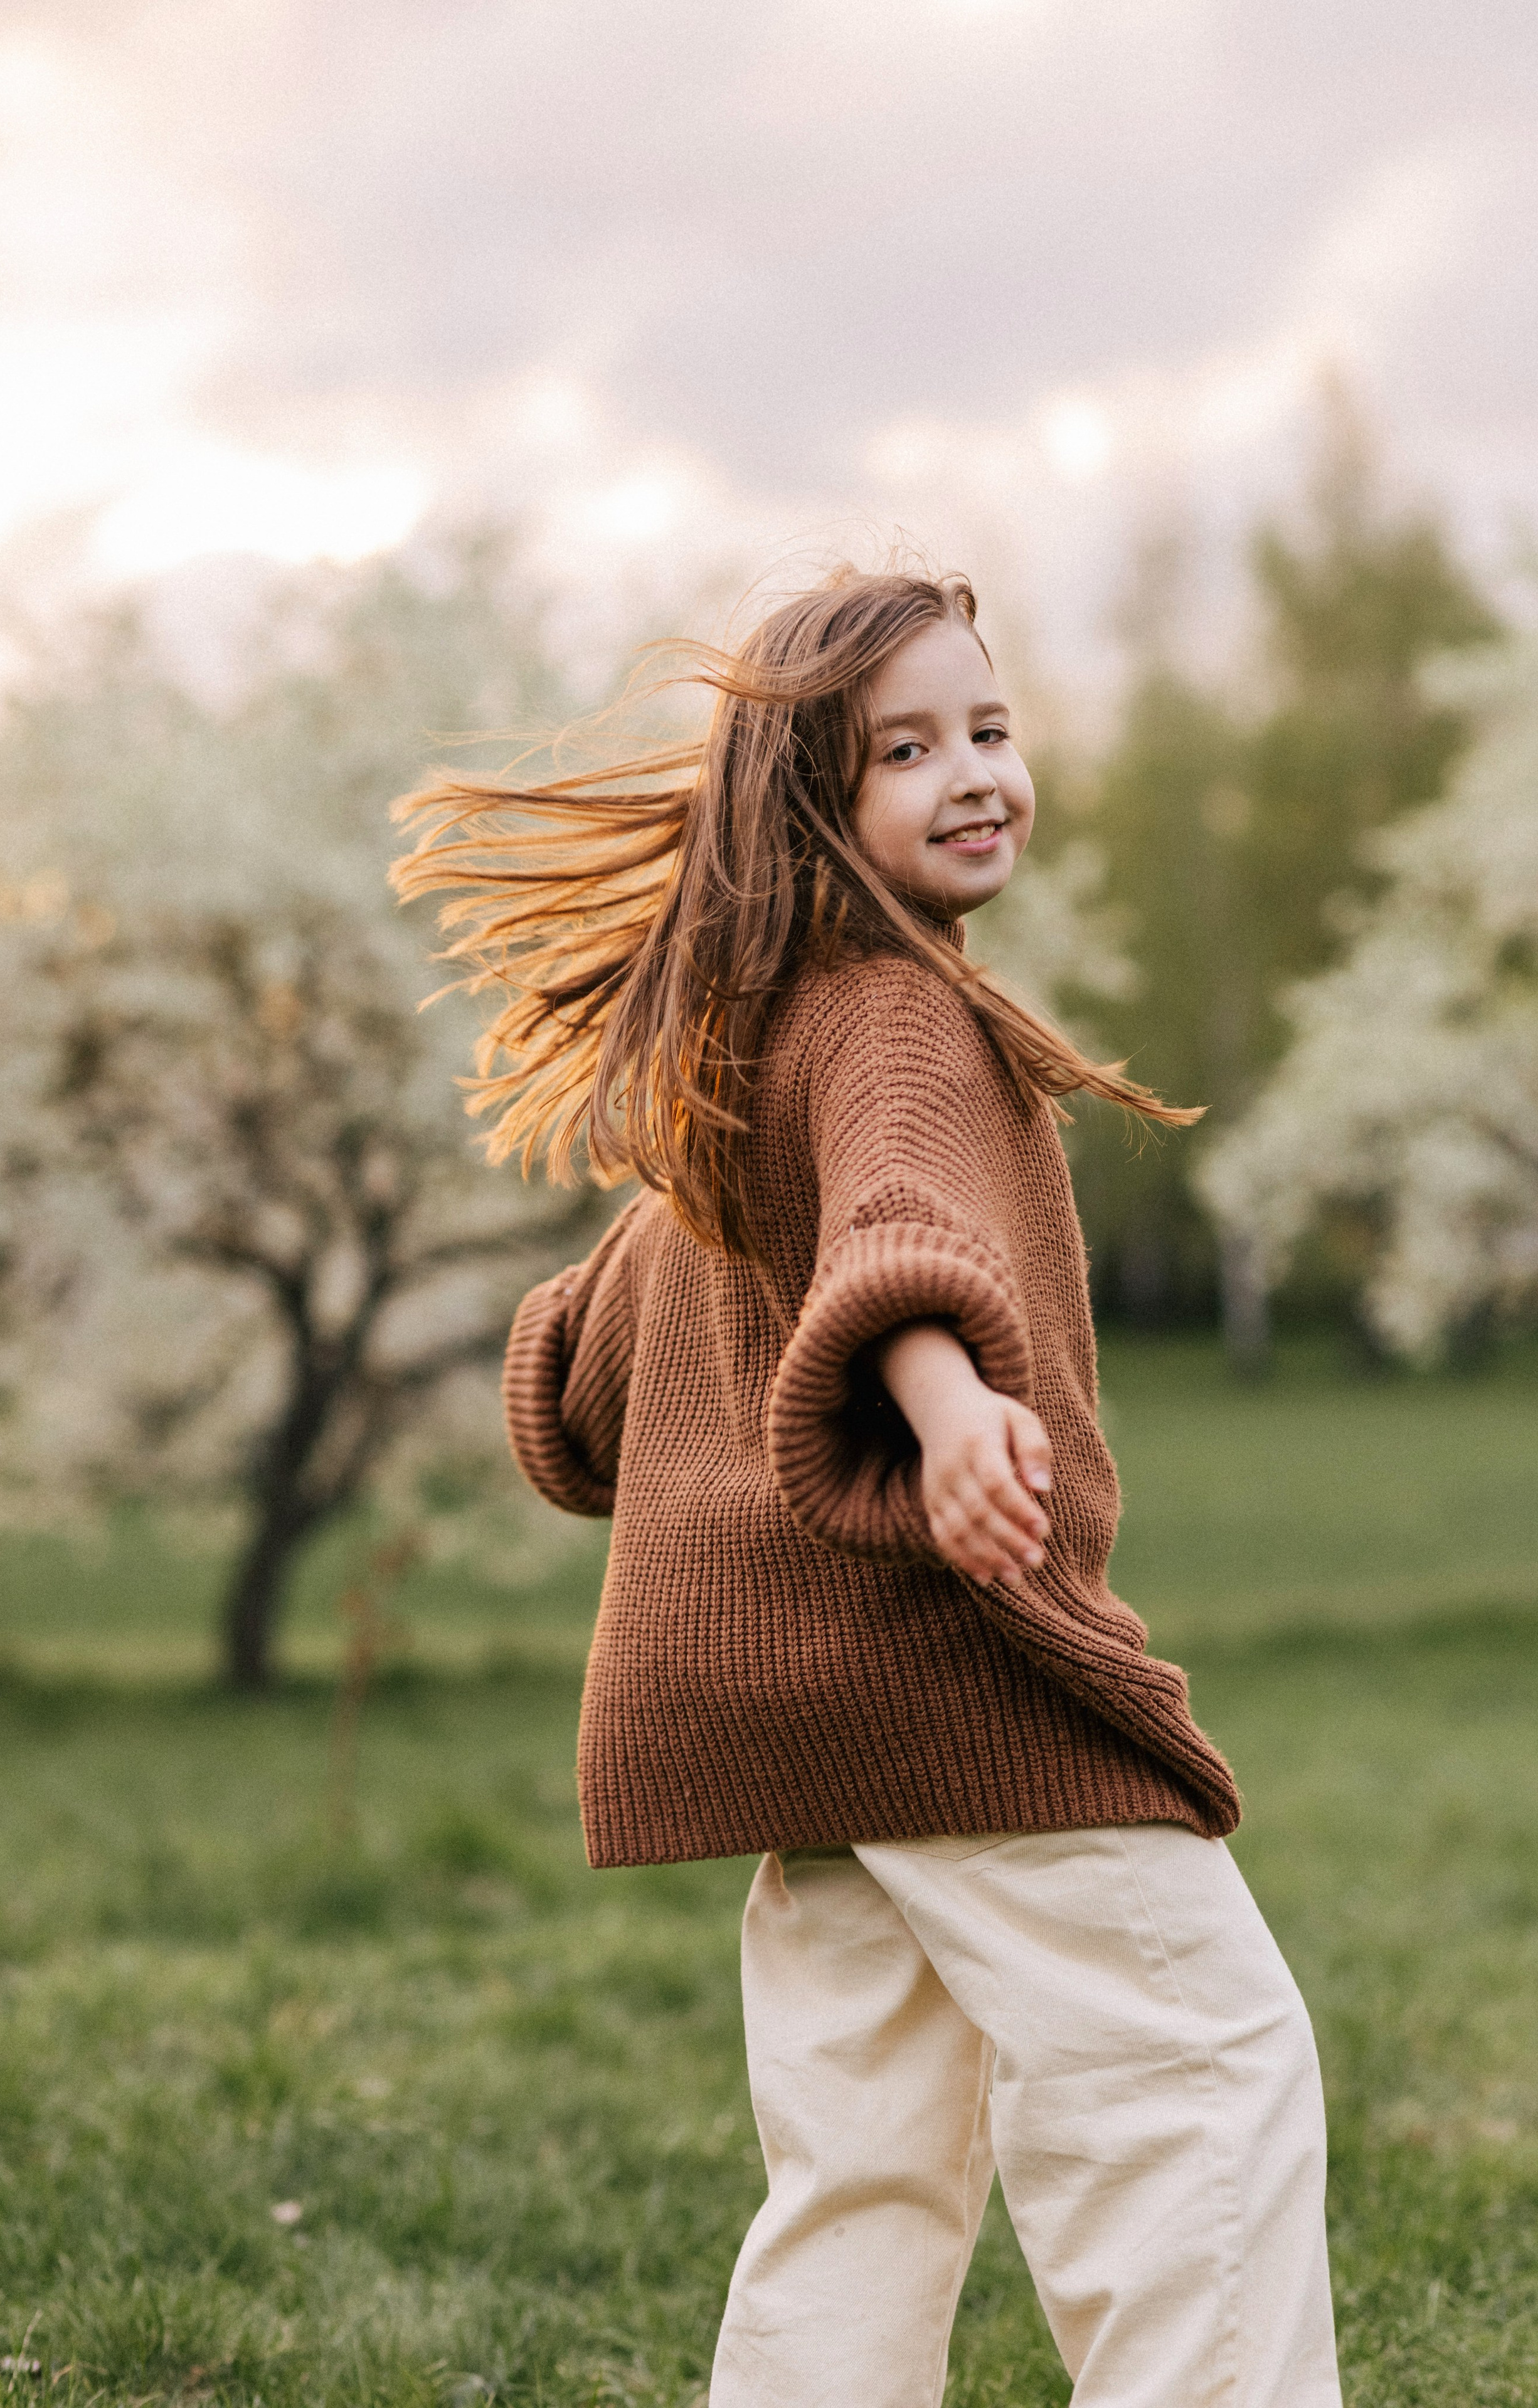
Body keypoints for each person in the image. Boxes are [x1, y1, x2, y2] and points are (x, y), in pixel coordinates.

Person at [391, 567, 1344, 2407]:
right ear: (816, 810)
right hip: (938, 1676)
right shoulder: (899, 1025)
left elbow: (580, 1380)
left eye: (988, 729)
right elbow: (897, 1239)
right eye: (905, 751)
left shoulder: (749, 1058)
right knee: (1197, 2076)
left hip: (784, 1712)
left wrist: (691, 1359)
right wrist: (943, 1391)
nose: (972, 773)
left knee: (866, 2166)